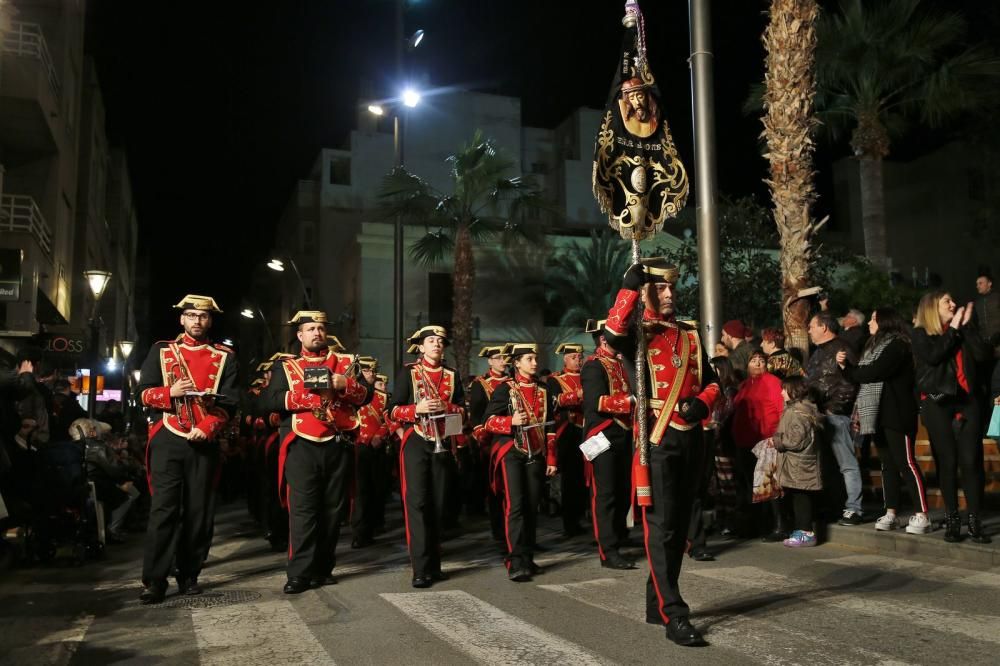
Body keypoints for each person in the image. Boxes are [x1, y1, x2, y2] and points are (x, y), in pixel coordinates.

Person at [604, 257, 720, 647]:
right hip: (655, 437)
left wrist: (703, 403)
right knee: (661, 527)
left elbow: (715, 381)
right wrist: (627, 288)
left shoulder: (688, 334)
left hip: (691, 437)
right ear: (647, 292)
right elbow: (613, 332)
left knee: (680, 527)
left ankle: (656, 603)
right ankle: (675, 612)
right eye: (661, 288)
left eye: (672, 287)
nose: (670, 294)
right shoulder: (636, 333)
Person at [134, 295, 239, 603]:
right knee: (164, 509)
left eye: (203, 317)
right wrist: (170, 392)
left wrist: (207, 428)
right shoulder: (161, 351)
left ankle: (189, 573)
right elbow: (142, 394)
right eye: (191, 315)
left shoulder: (225, 357)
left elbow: (229, 404)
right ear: (182, 319)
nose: (197, 321)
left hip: (202, 439)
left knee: (198, 511)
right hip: (168, 435)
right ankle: (154, 579)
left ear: (210, 321)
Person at [258, 311, 371, 593]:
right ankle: (298, 573)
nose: (316, 333)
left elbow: (367, 396)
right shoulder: (287, 367)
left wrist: (347, 385)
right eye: (310, 329)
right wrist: (307, 397)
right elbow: (267, 402)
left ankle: (323, 568)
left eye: (320, 328)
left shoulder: (345, 363)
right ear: (300, 335)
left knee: (333, 510)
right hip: (301, 444)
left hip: (337, 441)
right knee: (303, 511)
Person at [837, 307, 930, 535]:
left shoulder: (897, 345)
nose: (869, 322)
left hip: (897, 412)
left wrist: (850, 369)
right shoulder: (874, 346)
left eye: (873, 318)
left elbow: (872, 372)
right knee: (887, 464)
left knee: (905, 462)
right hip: (878, 414)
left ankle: (922, 514)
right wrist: (846, 368)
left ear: (885, 321)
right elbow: (863, 373)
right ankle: (891, 512)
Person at [388, 325, 465, 588]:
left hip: (442, 441)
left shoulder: (452, 375)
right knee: (418, 504)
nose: (436, 345)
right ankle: (420, 569)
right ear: (420, 346)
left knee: (439, 505)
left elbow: (463, 412)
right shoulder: (408, 372)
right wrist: (416, 408)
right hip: (416, 442)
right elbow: (393, 411)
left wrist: (448, 407)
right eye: (431, 341)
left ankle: (435, 565)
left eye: (440, 341)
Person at [912, 291, 993, 543]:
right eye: (947, 301)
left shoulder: (963, 330)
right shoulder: (921, 333)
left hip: (968, 401)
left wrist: (966, 328)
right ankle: (952, 520)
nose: (953, 304)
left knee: (971, 462)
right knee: (947, 463)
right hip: (938, 403)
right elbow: (935, 356)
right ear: (932, 307)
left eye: (953, 301)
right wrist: (954, 329)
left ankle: (975, 522)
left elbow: (982, 355)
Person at [483, 343, 558, 582]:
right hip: (512, 452)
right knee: (515, 505)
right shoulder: (504, 389)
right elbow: (488, 421)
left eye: (535, 358)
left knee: (531, 506)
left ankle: (526, 556)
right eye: (529, 359)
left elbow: (551, 428)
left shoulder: (544, 390)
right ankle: (514, 560)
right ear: (516, 362)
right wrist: (511, 421)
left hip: (535, 452)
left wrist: (552, 458)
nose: (534, 363)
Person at [580, 318, 637, 569]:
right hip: (602, 435)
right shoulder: (593, 366)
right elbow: (596, 402)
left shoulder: (621, 363)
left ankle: (617, 538)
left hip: (623, 433)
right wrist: (631, 401)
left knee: (623, 491)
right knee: (605, 495)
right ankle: (608, 550)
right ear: (604, 338)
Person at [805, 311, 863, 526]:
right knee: (827, 466)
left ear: (824, 327)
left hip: (835, 416)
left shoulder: (843, 348)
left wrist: (834, 409)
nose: (809, 330)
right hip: (818, 415)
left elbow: (851, 382)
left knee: (847, 464)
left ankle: (854, 508)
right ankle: (834, 506)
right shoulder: (817, 352)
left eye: (812, 325)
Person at [730, 349, 786, 540]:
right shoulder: (745, 385)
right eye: (754, 360)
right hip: (744, 440)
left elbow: (781, 409)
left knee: (768, 483)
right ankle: (755, 525)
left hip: (765, 438)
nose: (758, 363)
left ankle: (778, 526)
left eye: (761, 360)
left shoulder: (772, 381)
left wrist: (778, 436)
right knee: (750, 484)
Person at [769, 376, 823, 548]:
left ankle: (805, 532)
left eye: (784, 389)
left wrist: (777, 440)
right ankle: (801, 529)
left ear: (794, 390)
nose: (781, 392)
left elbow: (796, 440)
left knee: (802, 498)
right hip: (798, 464)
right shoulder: (798, 409)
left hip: (799, 464)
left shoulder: (797, 412)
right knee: (799, 497)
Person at [468, 345, 510, 542]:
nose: (503, 361)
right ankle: (499, 533)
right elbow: (476, 416)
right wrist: (482, 439)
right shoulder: (481, 384)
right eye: (498, 358)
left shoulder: (513, 382)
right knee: (495, 489)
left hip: (512, 439)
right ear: (490, 361)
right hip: (491, 441)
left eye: (505, 357)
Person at [548, 342, 587, 538]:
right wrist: (577, 395)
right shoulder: (556, 379)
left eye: (579, 357)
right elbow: (554, 401)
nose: (577, 360)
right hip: (569, 433)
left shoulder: (587, 375)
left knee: (586, 476)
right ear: (565, 358)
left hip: (587, 431)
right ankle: (570, 522)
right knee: (570, 480)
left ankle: (583, 515)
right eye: (573, 357)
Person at [352, 356, 388, 549]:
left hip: (377, 446)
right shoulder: (352, 394)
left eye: (373, 371)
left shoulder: (382, 397)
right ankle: (359, 533)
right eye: (367, 371)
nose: (371, 374)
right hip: (359, 446)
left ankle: (373, 526)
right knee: (361, 492)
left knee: (377, 489)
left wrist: (379, 436)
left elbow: (388, 420)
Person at [973, 271, 1000, 435]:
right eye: (977, 284)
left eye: (981, 283)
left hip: (998, 349)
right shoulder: (977, 303)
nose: (978, 286)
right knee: (986, 387)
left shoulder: (997, 298)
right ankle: (988, 424)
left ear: (989, 283)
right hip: (985, 352)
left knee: (996, 386)